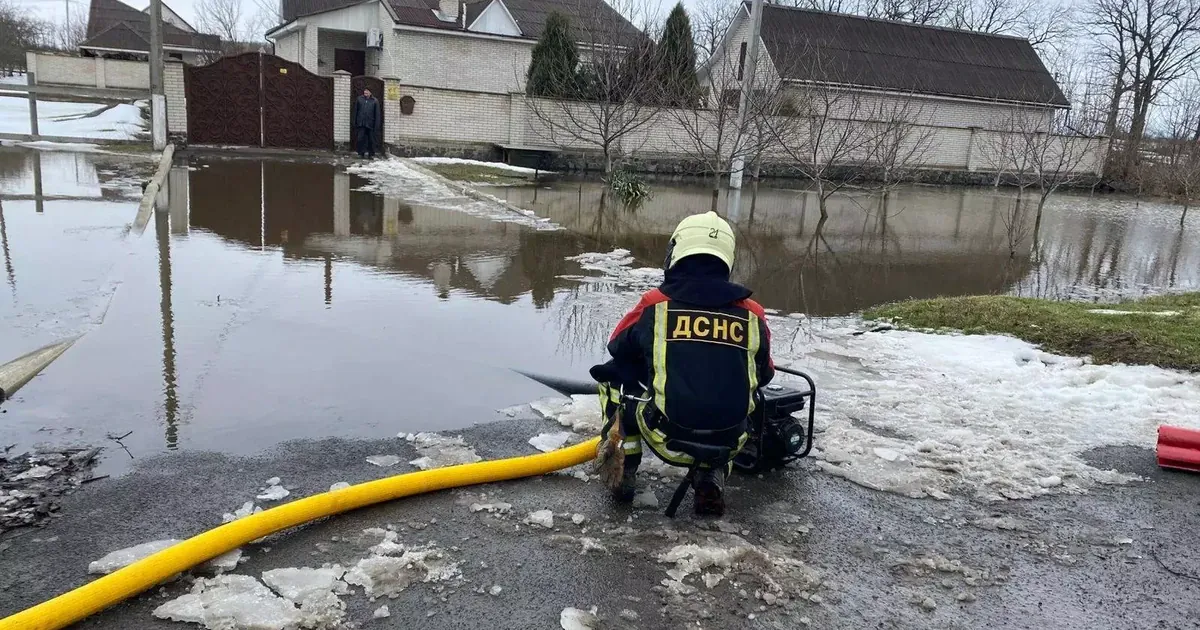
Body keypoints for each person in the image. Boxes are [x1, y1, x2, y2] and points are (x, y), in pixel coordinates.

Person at [593, 211, 774, 516]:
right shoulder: (753, 313)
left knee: (613, 379)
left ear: (676, 252)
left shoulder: (655, 304)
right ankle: (711, 475)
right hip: (730, 441)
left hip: (666, 436)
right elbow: (765, 373)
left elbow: (617, 345)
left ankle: (625, 465)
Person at [353, 88, 381, 159]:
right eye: (365, 91)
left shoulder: (374, 101)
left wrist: (376, 125)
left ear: (370, 92)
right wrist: (355, 121)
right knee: (360, 139)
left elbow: (377, 114)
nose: (365, 92)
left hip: (370, 123)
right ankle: (361, 153)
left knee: (371, 140)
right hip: (361, 123)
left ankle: (371, 154)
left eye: (367, 91)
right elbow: (355, 111)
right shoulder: (359, 99)